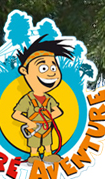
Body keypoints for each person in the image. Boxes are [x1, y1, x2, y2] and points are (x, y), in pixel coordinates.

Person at [12, 35, 72, 164]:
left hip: (47, 127)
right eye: (43, 68)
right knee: (34, 145)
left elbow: (59, 111)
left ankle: (48, 155)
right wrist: (30, 122)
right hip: (34, 129)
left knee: (47, 143)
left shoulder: (49, 99)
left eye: (53, 67)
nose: (50, 73)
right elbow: (16, 114)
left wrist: (48, 116)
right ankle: (34, 156)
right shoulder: (27, 99)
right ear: (24, 71)